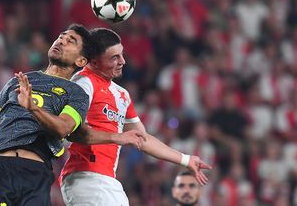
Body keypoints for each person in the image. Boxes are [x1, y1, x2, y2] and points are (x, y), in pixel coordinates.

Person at [0, 24, 144, 206]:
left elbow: (64, 128)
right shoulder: (18, 81)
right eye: (61, 37)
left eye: (71, 41)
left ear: (80, 61)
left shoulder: (76, 93)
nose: (61, 41)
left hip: (34, 173)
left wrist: (32, 107)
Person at [60, 27, 212, 206]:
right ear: (94, 61)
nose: (123, 61)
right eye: (114, 57)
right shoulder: (84, 83)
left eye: (122, 54)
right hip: (85, 177)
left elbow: (142, 139)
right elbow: (71, 130)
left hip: (107, 181)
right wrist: (117, 137)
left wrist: (185, 159)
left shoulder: (121, 94)